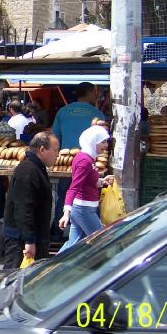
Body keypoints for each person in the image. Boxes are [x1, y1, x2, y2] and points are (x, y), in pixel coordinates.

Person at [50, 82, 105, 241]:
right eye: (94, 92)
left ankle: (57, 233)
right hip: (88, 162)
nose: (96, 96)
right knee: (85, 195)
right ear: (89, 93)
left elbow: (56, 137)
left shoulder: (63, 111)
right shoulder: (96, 114)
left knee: (64, 195)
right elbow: (102, 137)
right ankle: (86, 233)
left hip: (65, 163)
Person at [2, 133, 60, 269]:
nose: (57, 155)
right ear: (42, 150)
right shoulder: (27, 170)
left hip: (34, 236)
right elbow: (23, 208)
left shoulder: (37, 168)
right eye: (55, 150)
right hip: (20, 239)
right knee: (13, 278)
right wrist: (29, 240)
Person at [58, 125, 114, 252]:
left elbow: (86, 182)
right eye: (103, 142)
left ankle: (51, 268)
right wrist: (66, 212)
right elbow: (74, 187)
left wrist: (101, 181)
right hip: (84, 209)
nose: (106, 146)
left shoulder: (87, 158)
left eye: (106, 142)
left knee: (72, 247)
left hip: (83, 208)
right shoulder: (85, 160)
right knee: (102, 240)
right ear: (93, 141)